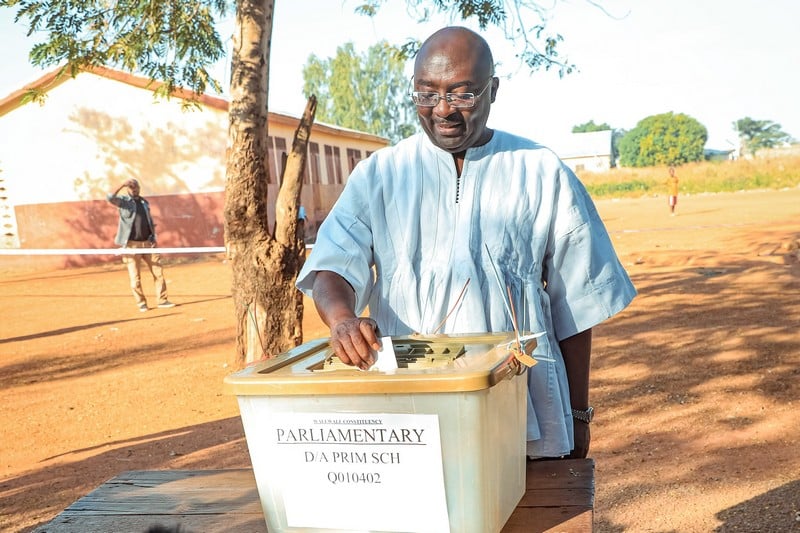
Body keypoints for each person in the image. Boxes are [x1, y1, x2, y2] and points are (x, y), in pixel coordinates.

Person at [296, 26, 636, 460]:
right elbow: (332, 268)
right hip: (410, 405)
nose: (443, 110)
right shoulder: (379, 175)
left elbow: (578, 304)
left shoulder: (540, 172)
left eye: (462, 94)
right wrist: (342, 319)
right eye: (427, 94)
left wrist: (578, 413)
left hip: (522, 402)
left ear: (492, 90)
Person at [107, 179, 176, 312]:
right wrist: (121, 184)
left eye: (136, 187)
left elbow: (149, 221)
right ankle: (141, 303)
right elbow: (110, 197)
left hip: (148, 243)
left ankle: (162, 300)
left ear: (139, 188)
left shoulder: (144, 202)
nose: (134, 189)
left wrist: (153, 236)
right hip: (131, 245)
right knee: (135, 277)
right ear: (127, 188)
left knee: (158, 273)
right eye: (131, 187)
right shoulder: (123, 202)